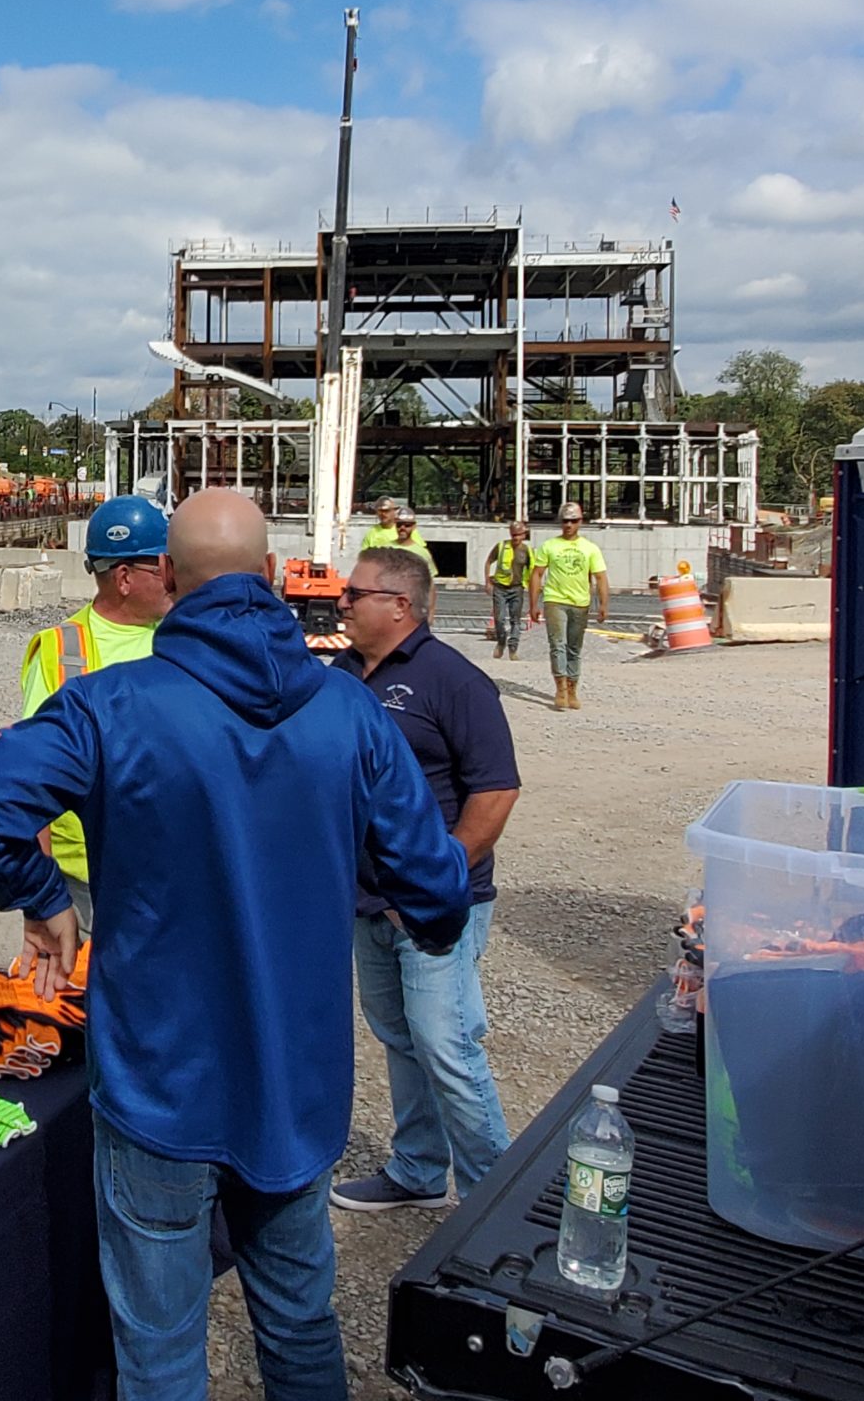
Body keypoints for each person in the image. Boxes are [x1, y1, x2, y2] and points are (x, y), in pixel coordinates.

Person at [0, 490, 470, 1401]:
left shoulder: (111, 705)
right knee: (301, 1321)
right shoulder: (348, 710)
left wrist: (38, 898)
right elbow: (438, 889)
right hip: (295, 1084)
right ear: (269, 577)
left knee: (161, 1345)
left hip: (160, 1083)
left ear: (173, 582)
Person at [326, 547, 520, 1214]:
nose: (342, 602)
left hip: (433, 908)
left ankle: (495, 1205)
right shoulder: (342, 674)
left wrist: (437, 878)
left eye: (356, 594)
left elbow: (494, 792)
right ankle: (417, 1170)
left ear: (400, 605)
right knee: (401, 1037)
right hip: (365, 901)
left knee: (447, 1046)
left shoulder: (453, 681)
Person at [16, 494, 171, 929]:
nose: (173, 576)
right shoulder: (59, 650)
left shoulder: (184, 635)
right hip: (80, 883)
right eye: (162, 565)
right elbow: (32, 779)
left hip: (167, 873)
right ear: (123, 577)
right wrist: (42, 899)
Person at [527, 501, 609, 710]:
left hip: (580, 602)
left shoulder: (590, 548)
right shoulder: (549, 546)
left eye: (573, 521)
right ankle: (561, 687)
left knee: (574, 647)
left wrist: (603, 604)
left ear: (580, 522)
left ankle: (573, 687)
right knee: (557, 645)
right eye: (565, 521)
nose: (569, 525)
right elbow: (537, 574)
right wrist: (533, 604)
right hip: (555, 600)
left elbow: (600, 577)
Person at [482, 519, 532, 661]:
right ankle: (501, 642)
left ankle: (513, 648)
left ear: (523, 535)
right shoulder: (502, 547)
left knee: (515, 620)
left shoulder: (526, 551)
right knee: (499, 618)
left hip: (517, 589)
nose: (515, 538)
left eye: (519, 535)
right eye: (513, 535)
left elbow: (533, 569)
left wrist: (530, 585)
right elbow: (488, 561)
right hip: (500, 588)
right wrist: (487, 581)